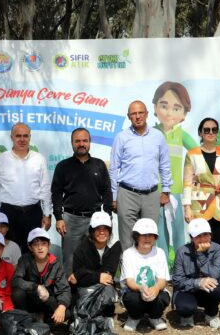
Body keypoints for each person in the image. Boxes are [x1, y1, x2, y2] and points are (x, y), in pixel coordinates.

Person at [110, 101, 172, 249]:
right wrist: (113, 197)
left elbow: (165, 165)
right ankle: (128, 272)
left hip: (151, 194)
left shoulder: (158, 136)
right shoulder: (121, 137)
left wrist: (166, 190)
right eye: (133, 114)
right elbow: (113, 168)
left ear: (147, 114)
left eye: (140, 113)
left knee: (149, 237)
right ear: (129, 117)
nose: (138, 117)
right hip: (127, 193)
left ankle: (148, 271)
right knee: (127, 240)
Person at [52, 127, 112, 276]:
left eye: (84, 140)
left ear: (90, 142)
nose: (81, 144)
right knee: (70, 259)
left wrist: (108, 215)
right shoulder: (63, 166)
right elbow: (57, 193)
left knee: (95, 257)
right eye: (77, 141)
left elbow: (106, 191)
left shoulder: (99, 165)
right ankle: (69, 295)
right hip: (71, 220)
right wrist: (59, 218)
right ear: (72, 143)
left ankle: (93, 292)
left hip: (95, 220)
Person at [0, 123, 53, 253]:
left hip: (34, 213)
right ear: (11, 137)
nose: (22, 139)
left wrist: (47, 214)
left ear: (30, 137)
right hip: (8, 214)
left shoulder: (39, 159)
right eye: (18, 136)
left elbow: (45, 188)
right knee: (9, 253)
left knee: (33, 253)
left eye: (25, 136)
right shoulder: (0, 159)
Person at [152, 82, 198, 260]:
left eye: (176, 108)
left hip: (177, 191)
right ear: (155, 107)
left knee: (179, 233)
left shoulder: (182, 135)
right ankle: (163, 271)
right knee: (159, 233)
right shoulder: (151, 132)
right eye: (164, 106)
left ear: (184, 114)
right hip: (155, 192)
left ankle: (181, 268)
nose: (169, 112)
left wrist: (193, 177)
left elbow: (197, 154)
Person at [182, 117, 220, 246]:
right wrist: (187, 208)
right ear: (200, 133)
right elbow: (187, 183)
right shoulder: (192, 154)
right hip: (199, 206)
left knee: (218, 247)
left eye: (214, 129)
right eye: (206, 130)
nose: (211, 132)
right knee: (199, 245)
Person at [71, 211, 122, 331]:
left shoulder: (115, 245)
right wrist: (97, 276)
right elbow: (77, 278)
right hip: (85, 289)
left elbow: (109, 275)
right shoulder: (82, 247)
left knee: (108, 289)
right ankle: (91, 319)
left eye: (106, 229)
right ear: (92, 231)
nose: (102, 232)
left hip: (104, 288)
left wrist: (84, 273)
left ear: (110, 230)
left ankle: (103, 317)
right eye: (98, 229)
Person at [171, 218, 220, 329]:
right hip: (187, 290)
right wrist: (198, 282)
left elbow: (215, 275)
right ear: (191, 238)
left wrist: (201, 255)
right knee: (185, 308)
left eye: (205, 234)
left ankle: (211, 315)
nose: (202, 239)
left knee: (216, 287)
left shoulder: (218, 250)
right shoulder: (182, 251)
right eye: (198, 236)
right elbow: (177, 281)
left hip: (208, 290)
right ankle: (187, 316)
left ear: (210, 235)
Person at [119, 218, 169, 332]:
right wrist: (141, 288)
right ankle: (134, 317)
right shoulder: (128, 254)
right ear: (136, 236)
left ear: (155, 238)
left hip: (154, 290)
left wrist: (155, 288)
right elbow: (130, 281)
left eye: (151, 235)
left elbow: (162, 280)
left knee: (162, 297)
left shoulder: (160, 252)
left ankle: (155, 317)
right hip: (135, 290)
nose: (148, 238)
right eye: (144, 235)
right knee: (131, 298)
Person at [11, 228, 70, 325]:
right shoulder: (25, 259)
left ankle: (43, 323)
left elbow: (64, 289)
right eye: (35, 244)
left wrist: (62, 306)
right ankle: (27, 320)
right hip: (30, 300)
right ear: (30, 248)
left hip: (47, 300)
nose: (40, 248)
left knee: (66, 313)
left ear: (49, 245)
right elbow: (16, 280)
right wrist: (36, 287)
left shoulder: (55, 263)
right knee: (17, 293)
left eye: (43, 244)